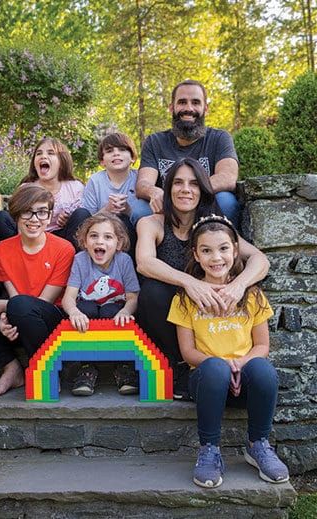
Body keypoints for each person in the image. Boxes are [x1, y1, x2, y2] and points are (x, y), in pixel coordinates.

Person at [167, 214, 289, 488]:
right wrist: (223, 364)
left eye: (223, 248)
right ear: (196, 255)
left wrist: (239, 363)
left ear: (235, 251)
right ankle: (209, 450)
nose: (216, 257)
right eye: (206, 250)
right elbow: (188, 352)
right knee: (213, 368)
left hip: (244, 378)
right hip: (207, 381)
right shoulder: (185, 298)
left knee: (264, 370)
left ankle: (258, 444)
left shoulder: (252, 295)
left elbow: (262, 346)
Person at [135, 157, 270, 400]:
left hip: (210, 319)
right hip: (169, 314)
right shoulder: (151, 223)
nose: (185, 189)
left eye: (194, 184)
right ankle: (178, 366)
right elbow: (144, 262)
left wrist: (239, 285)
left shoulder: (213, 228)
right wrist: (190, 283)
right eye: (178, 183)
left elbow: (260, 259)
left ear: (203, 190)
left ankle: (224, 368)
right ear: (168, 189)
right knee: (152, 291)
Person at [0, 184, 75, 397]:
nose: (34, 219)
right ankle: (11, 368)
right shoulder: (2, 251)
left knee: (21, 306)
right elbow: (14, 296)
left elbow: (44, 301)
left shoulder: (64, 249)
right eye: (27, 212)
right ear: (15, 215)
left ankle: (44, 369)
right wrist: (6, 319)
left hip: (50, 324)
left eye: (42, 212)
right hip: (20, 315)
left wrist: (5, 308)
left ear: (49, 216)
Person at [131, 79, 240, 227]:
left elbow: (228, 177)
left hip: (205, 203)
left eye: (195, 102)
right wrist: (154, 192)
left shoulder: (220, 138)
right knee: (139, 210)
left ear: (206, 108)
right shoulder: (155, 141)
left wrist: (188, 193)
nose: (189, 108)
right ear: (171, 108)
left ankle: (222, 247)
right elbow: (143, 184)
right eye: (182, 102)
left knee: (226, 201)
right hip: (167, 207)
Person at [62, 212, 140, 396]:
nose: (100, 242)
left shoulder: (124, 260)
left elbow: (133, 297)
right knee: (85, 308)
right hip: (87, 314)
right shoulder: (81, 260)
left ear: (118, 244)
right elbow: (68, 297)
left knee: (111, 311)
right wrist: (73, 312)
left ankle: (121, 365)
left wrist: (126, 311)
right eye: (94, 236)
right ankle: (87, 367)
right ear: (85, 241)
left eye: (108, 237)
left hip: (113, 313)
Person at [0, 137, 87, 249]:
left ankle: (69, 263)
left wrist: (69, 220)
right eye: (39, 153)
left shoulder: (75, 187)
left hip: (62, 241)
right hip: (29, 237)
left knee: (82, 213)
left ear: (62, 161)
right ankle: (19, 259)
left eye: (51, 153)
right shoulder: (26, 188)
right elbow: (17, 219)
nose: (43, 156)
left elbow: (83, 220)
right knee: (1, 217)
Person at [79, 132, 140, 259]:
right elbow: (87, 220)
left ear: (132, 157)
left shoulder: (140, 178)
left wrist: (128, 210)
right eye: (110, 151)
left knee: (123, 221)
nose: (116, 153)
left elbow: (146, 220)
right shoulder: (95, 181)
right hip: (100, 236)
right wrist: (107, 210)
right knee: (79, 213)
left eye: (122, 150)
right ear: (102, 161)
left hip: (132, 236)